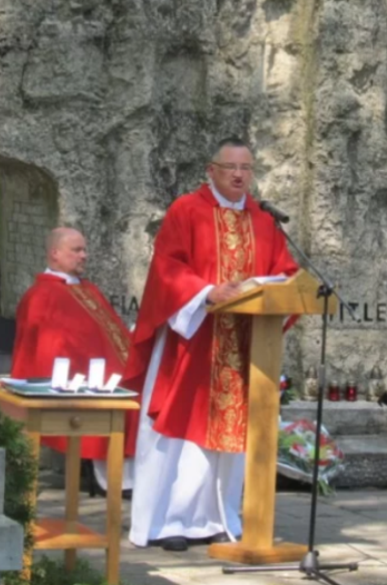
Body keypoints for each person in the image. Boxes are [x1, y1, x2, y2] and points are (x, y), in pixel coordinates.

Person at [124, 138, 298, 552]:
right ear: (212, 169)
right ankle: (171, 521)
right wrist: (206, 293)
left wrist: (285, 287)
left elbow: (285, 272)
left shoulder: (264, 219)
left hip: (243, 343)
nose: (239, 174)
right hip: (195, 340)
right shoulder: (186, 210)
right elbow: (166, 268)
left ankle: (220, 518)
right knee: (183, 433)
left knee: (231, 437)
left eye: (247, 168)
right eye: (230, 166)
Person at [11, 227, 137, 494]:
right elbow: (50, 350)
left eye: (84, 250)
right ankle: (116, 478)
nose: (84, 256)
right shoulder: (42, 296)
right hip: (80, 377)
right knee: (121, 391)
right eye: (76, 250)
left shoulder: (87, 289)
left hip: (109, 369)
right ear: (55, 254)